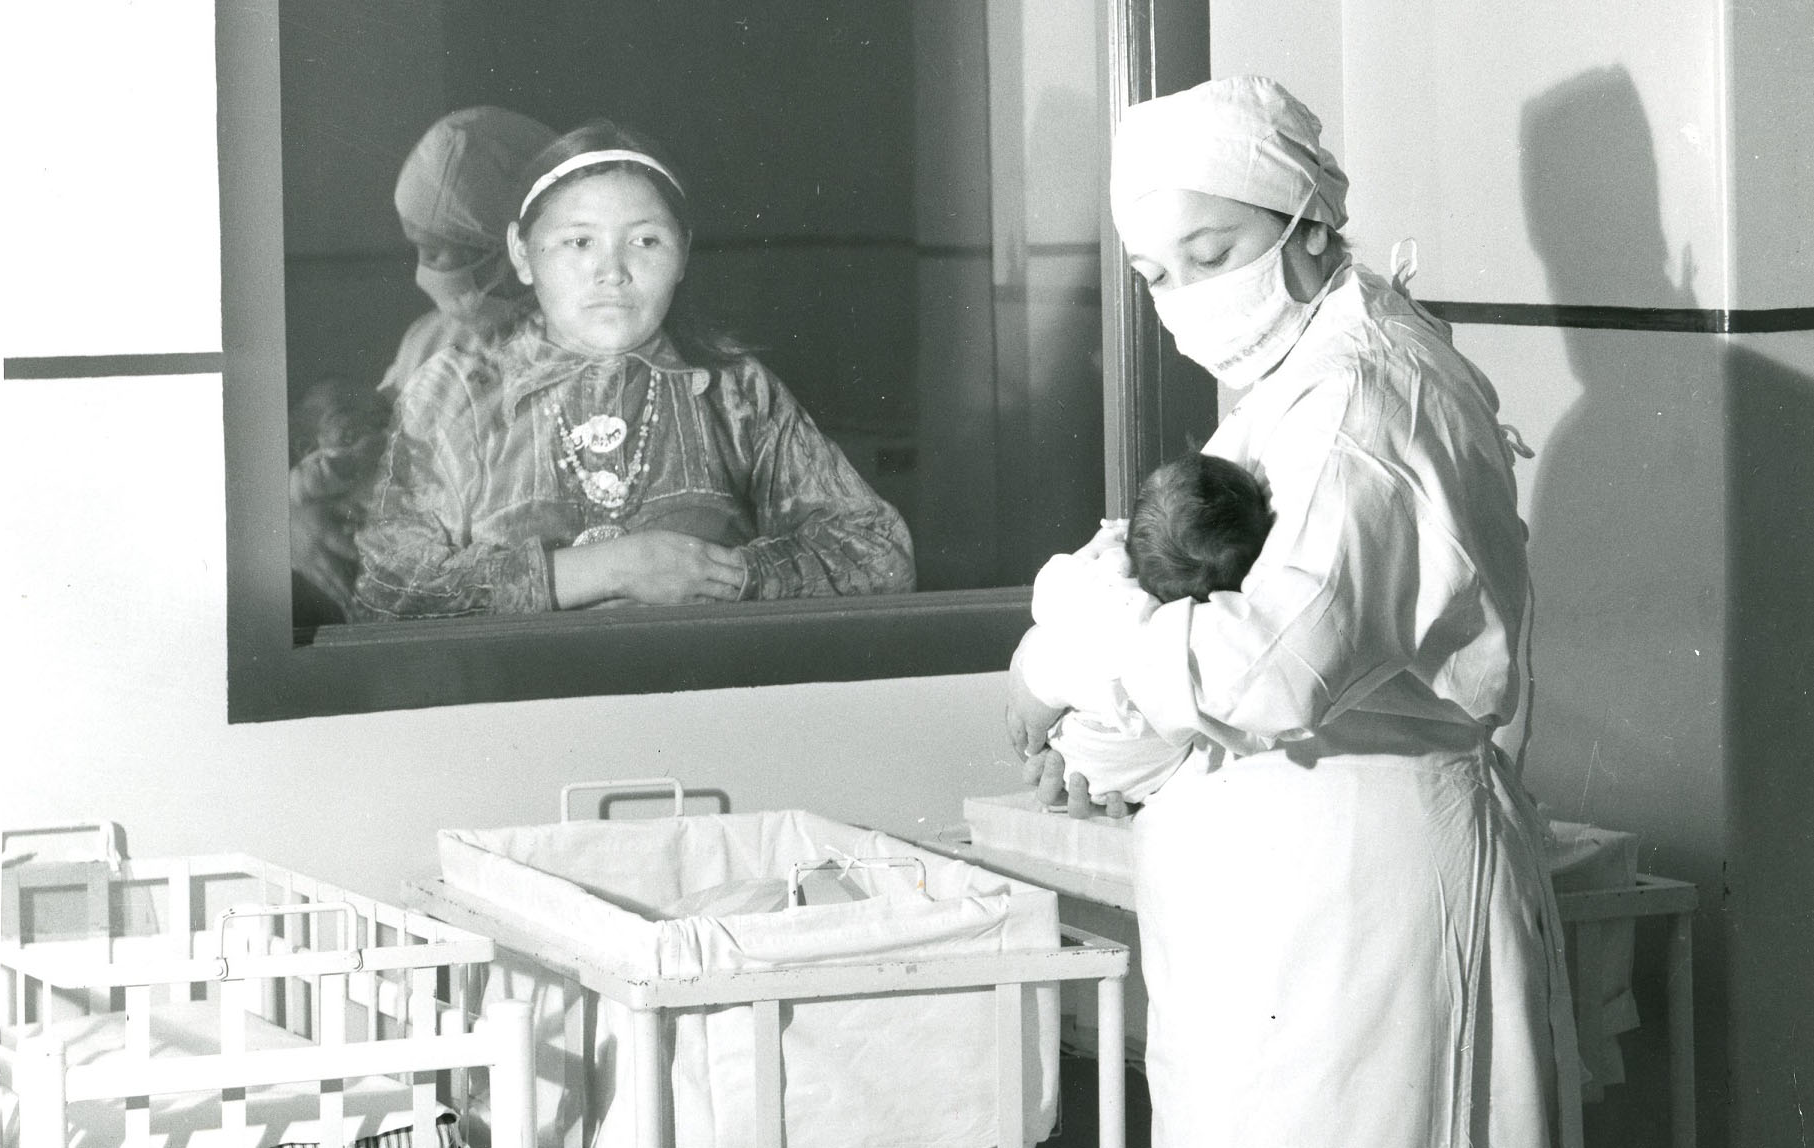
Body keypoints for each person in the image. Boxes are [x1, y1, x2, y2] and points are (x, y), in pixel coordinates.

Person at [1004, 77, 1581, 1148]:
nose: (1182, 296)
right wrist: (1103, 721)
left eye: (1211, 253)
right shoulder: (1289, 387)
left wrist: (1059, 657)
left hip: (1358, 908)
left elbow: (1261, 667)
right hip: (1268, 912)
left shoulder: (1365, 399)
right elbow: (1170, 584)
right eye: (1152, 273)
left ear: (1309, 220)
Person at [354, 118, 916, 616]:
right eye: (578, 242)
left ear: (683, 256)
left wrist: (724, 576)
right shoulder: (456, 394)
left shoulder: (734, 391)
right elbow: (387, 586)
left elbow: (880, 553)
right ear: (523, 255)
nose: (612, 272)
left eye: (646, 241)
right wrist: (613, 568)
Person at [290, 107, 558, 623]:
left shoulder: (587, 348)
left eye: (438, 253)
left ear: (505, 248)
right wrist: (296, 517)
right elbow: (362, 444)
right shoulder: (431, 338)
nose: (421, 276)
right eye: (417, 248)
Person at [1024, 453, 1273, 819]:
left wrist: (1095, 548)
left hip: (1074, 752)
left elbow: (1050, 587)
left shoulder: (1106, 589)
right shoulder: (1189, 633)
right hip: (1150, 775)